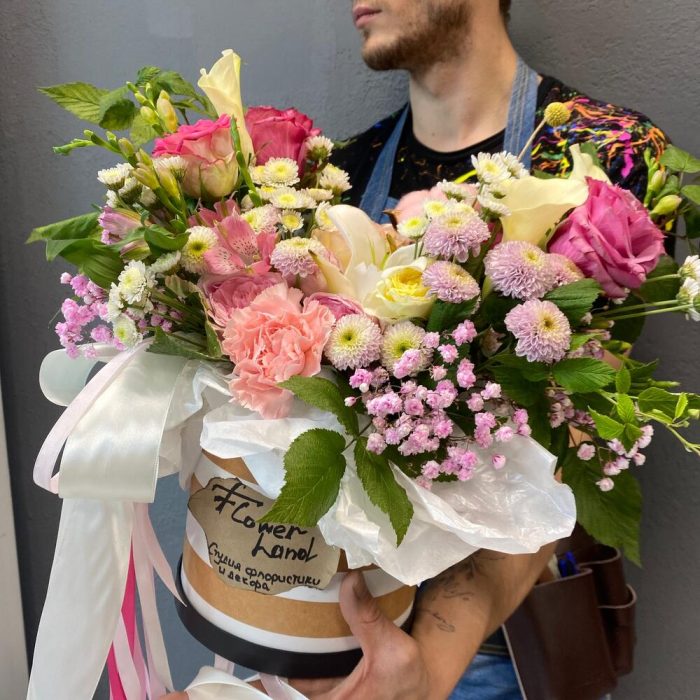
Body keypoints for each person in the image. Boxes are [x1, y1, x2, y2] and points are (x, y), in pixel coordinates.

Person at [162, 2, 667, 698]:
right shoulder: (338, 173)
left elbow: (568, 450)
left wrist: (427, 665)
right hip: (345, 630)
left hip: (493, 643)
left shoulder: (607, 156)